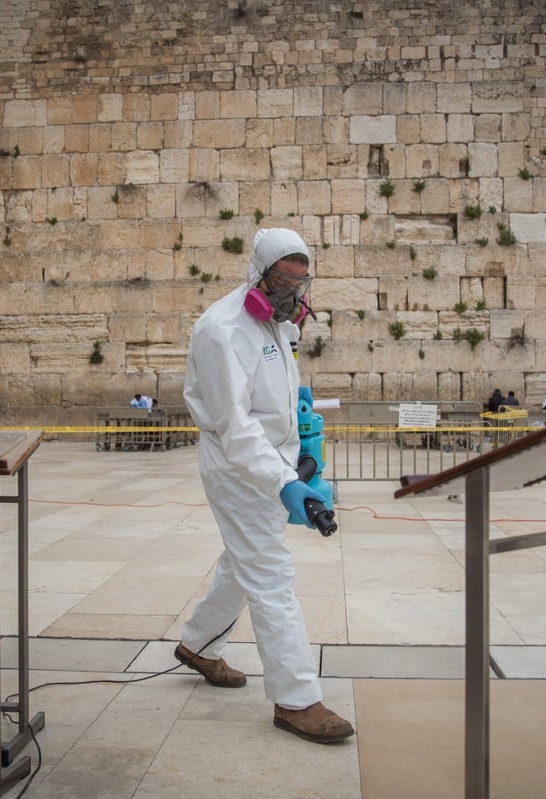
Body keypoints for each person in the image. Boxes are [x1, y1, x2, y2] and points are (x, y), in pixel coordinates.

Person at [175, 228, 354, 744]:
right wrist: (283, 481)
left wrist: (301, 444)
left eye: (301, 283)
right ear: (257, 273)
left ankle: (198, 645)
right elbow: (234, 426)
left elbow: (275, 389)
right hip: (236, 465)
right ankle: (297, 700)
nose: (292, 295)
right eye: (282, 281)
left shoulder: (277, 322)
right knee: (271, 573)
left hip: (274, 459)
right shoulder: (222, 331)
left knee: (243, 561)